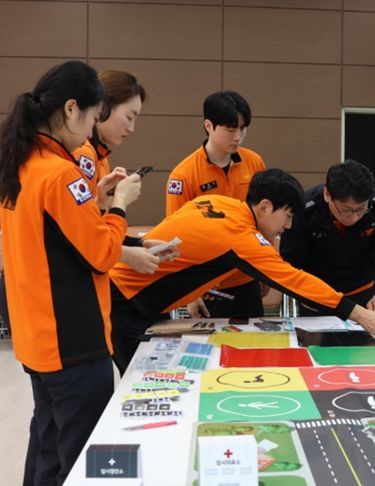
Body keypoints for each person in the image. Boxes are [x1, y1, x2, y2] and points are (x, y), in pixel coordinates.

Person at [0, 61, 141, 484]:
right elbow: (101, 253)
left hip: (36, 337)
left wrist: (93, 200)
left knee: (48, 447)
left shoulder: (20, 165)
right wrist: (119, 206)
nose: (93, 127)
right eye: (95, 117)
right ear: (71, 109)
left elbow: (50, 239)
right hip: (73, 341)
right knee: (82, 460)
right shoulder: (62, 174)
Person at [110, 168, 375, 373]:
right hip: (127, 303)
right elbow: (293, 279)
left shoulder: (220, 203)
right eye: (287, 216)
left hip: (135, 296)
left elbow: (184, 239)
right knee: (140, 382)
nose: (288, 226)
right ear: (264, 206)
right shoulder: (240, 236)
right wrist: (358, 313)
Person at [165, 90, 266, 318]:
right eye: (230, 129)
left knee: (254, 340)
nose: (238, 137)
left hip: (247, 276)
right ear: (208, 126)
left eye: (243, 129)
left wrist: (265, 271)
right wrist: (191, 294)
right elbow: (175, 239)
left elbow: (264, 219)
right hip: (208, 286)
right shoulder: (184, 175)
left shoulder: (254, 163)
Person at [72, 70, 171, 275]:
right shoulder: (84, 154)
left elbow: (95, 228)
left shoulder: (100, 158)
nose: (131, 128)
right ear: (103, 107)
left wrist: (139, 243)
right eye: (128, 117)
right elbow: (79, 235)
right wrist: (121, 201)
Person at [280, 160, 375, 317]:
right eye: (346, 210)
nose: (354, 217)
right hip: (318, 294)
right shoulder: (305, 209)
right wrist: (302, 293)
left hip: (363, 294)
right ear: (327, 195)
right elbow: (290, 261)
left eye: (361, 209)